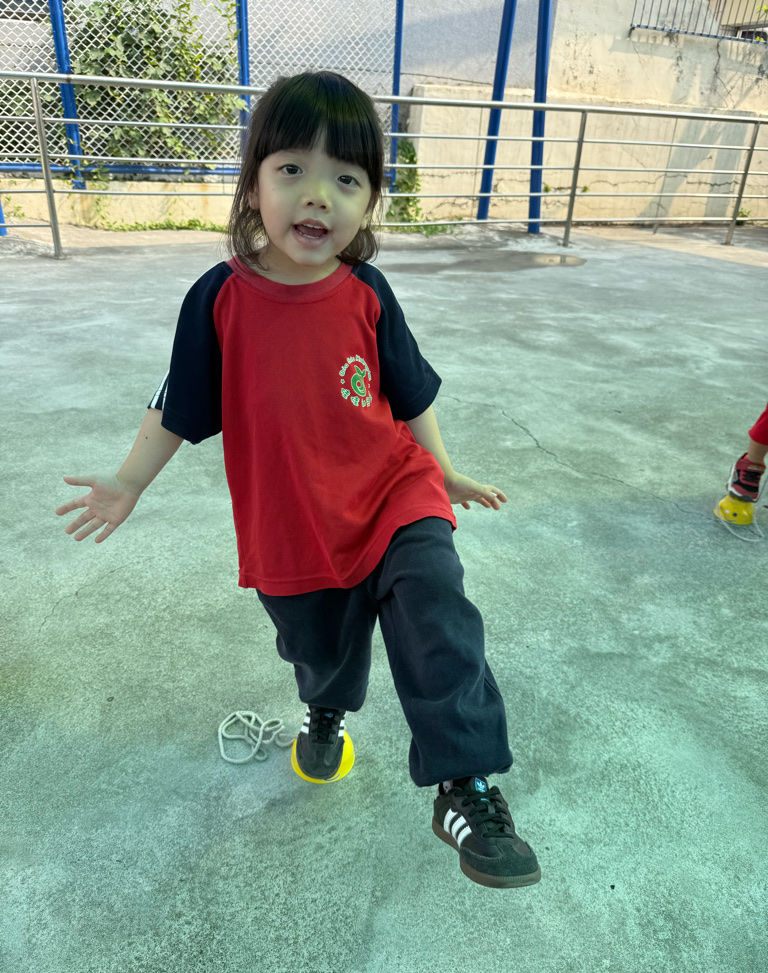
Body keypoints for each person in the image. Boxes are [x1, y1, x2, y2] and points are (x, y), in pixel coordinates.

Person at [54, 70, 539, 891]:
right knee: (321, 650)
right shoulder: (219, 299)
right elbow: (178, 404)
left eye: (346, 179)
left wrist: (443, 471)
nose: (317, 196)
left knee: (439, 610)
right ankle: (325, 710)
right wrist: (129, 481)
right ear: (253, 184)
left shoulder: (368, 293)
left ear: (370, 200)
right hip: (293, 526)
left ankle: (467, 786)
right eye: (292, 170)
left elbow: (410, 392)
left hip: (393, 492)